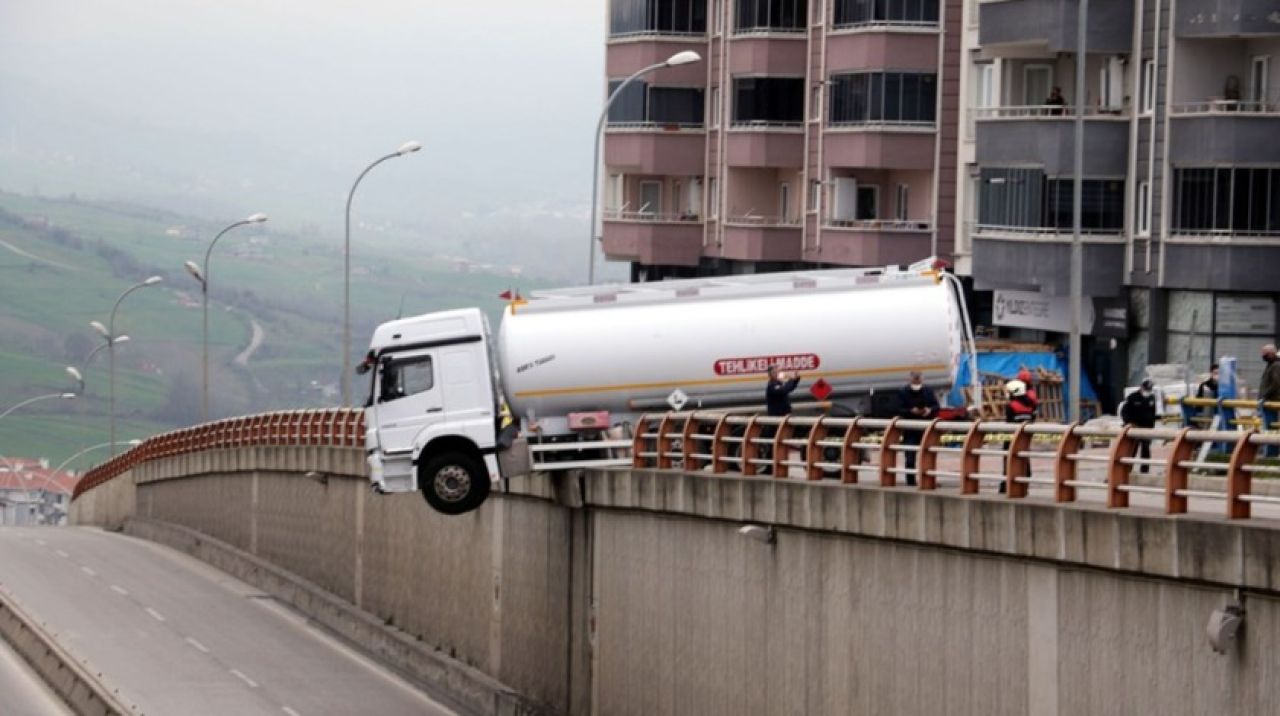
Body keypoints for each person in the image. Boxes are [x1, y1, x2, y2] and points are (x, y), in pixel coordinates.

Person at [898, 371, 938, 487]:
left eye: (918, 378)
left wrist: (929, 410)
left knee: (927, 456)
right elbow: (899, 409)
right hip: (910, 428)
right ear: (910, 379)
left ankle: (928, 480)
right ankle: (910, 481)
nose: (917, 380)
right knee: (910, 456)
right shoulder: (903, 392)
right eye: (915, 378)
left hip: (925, 427)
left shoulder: (928, 391)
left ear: (922, 379)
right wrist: (911, 411)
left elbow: (936, 406)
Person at [1000, 379, 1039, 492]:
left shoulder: (1011, 406)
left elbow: (1008, 424)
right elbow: (1032, 420)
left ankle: (1006, 486)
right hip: (1024, 439)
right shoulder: (1030, 406)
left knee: (1009, 461)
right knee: (1024, 460)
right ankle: (1024, 485)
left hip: (1011, 438)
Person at [1121, 379, 1158, 473]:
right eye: (1146, 389)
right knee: (1132, 449)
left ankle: (1144, 470)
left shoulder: (1151, 398)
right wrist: (1128, 423)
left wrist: (1152, 426)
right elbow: (1124, 412)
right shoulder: (1132, 397)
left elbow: (1152, 413)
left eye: (1149, 389)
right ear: (1141, 387)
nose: (1148, 391)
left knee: (1146, 450)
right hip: (1135, 428)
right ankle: (1128, 470)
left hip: (1147, 428)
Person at [1261, 345, 1280, 456]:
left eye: (1265, 353)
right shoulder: (1271, 365)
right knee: (1270, 426)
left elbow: (1276, 383)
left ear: (1272, 353)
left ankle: (1272, 451)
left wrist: (1264, 395)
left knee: (1271, 426)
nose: (1263, 356)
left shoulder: (1275, 365)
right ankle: (1271, 450)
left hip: (1272, 401)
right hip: (1269, 401)